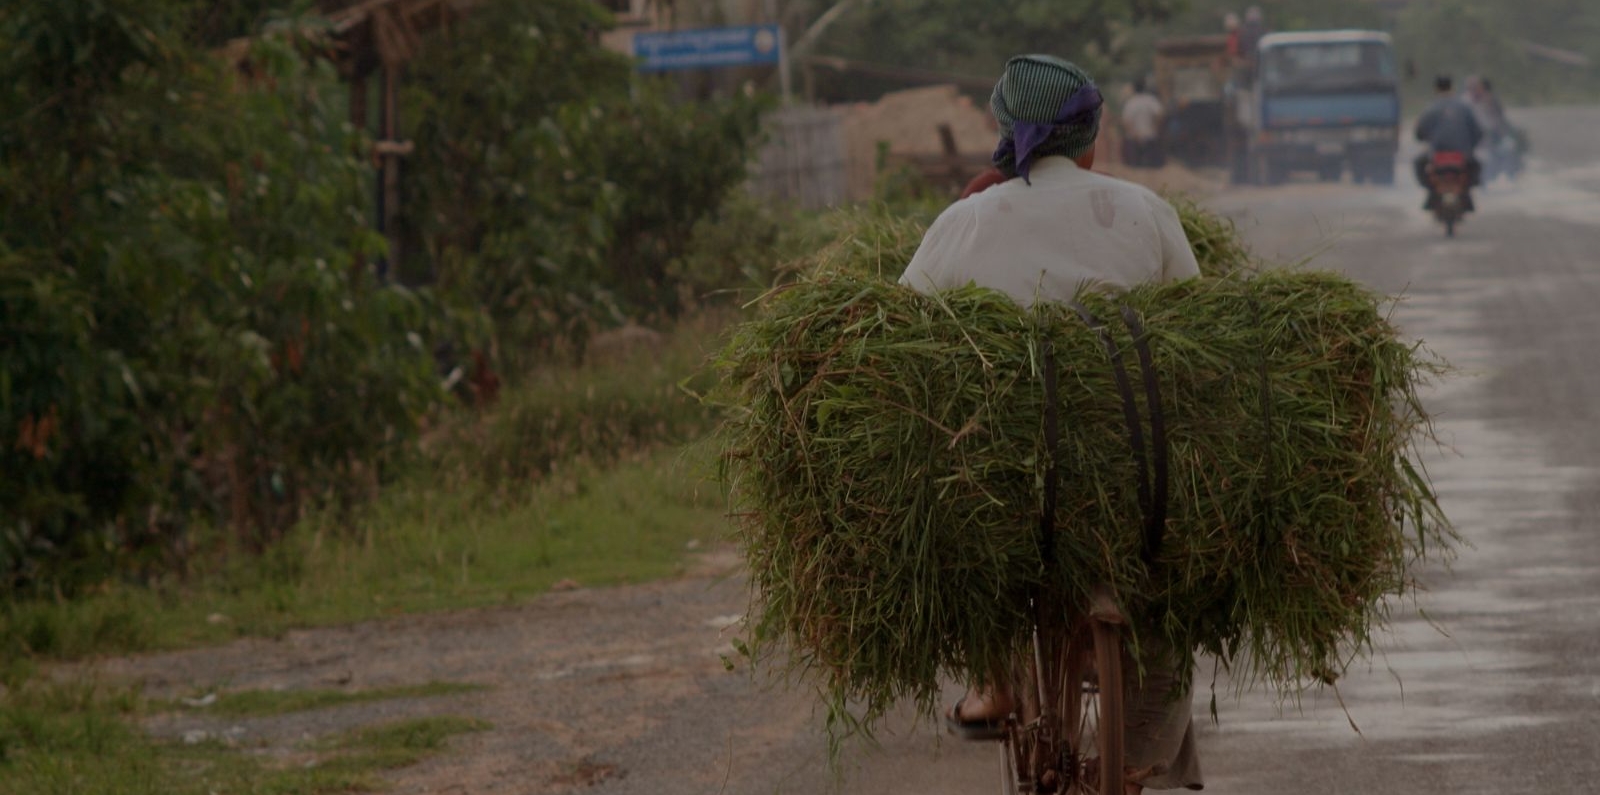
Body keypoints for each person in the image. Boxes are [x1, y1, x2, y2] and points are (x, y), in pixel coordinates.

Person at [900, 54, 1203, 794]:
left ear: (1009, 138)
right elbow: (1199, 332)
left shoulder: (964, 219)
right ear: (1093, 135)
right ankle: (1135, 764)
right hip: (1130, 487)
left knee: (982, 557)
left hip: (1004, 485)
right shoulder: (1143, 210)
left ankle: (996, 677)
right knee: (1170, 600)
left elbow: (899, 329)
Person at [1414, 74, 1483, 208]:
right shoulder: (1464, 107)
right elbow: (1478, 132)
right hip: (1462, 155)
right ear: (1452, 88)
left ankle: (1431, 192)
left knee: (1418, 163)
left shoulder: (1431, 108)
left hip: (1437, 156)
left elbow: (1420, 132)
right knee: (1477, 166)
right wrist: (1470, 148)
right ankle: (1466, 193)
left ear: (1436, 89)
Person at [1121, 78, 1166, 168]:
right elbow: (1160, 115)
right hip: (1150, 137)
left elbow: (1126, 121)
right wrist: (1155, 128)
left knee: (1133, 165)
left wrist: (1135, 134)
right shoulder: (1151, 100)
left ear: (1134, 89)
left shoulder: (1130, 102)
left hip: (1134, 140)